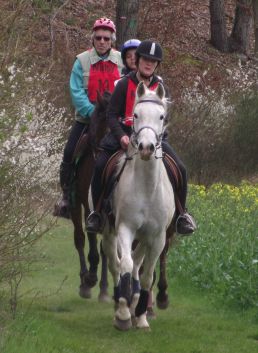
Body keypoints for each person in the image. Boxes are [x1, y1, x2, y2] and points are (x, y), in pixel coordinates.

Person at [86, 40, 196, 235]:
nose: (149, 64)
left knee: (181, 168)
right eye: (146, 59)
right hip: (124, 135)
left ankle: (181, 215)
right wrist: (121, 136)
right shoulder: (124, 84)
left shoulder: (161, 87)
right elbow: (111, 114)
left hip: (153, 139)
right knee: (101, 165)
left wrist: (156, 136)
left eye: (153, 61)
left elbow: (165, 118)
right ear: (137, 60)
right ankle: (96, 213)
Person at [54, 17, 123, 219]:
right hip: (86, 120)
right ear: (93, 39)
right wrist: (93, 113)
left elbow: (127, 89)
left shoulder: (122, 60)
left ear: (112, 40)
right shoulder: (81, 61)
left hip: (115, 123)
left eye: (106, 38)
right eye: (99, 38)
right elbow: (76, 91)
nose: (102, 42)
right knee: (69, 152)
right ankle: (67, 196)